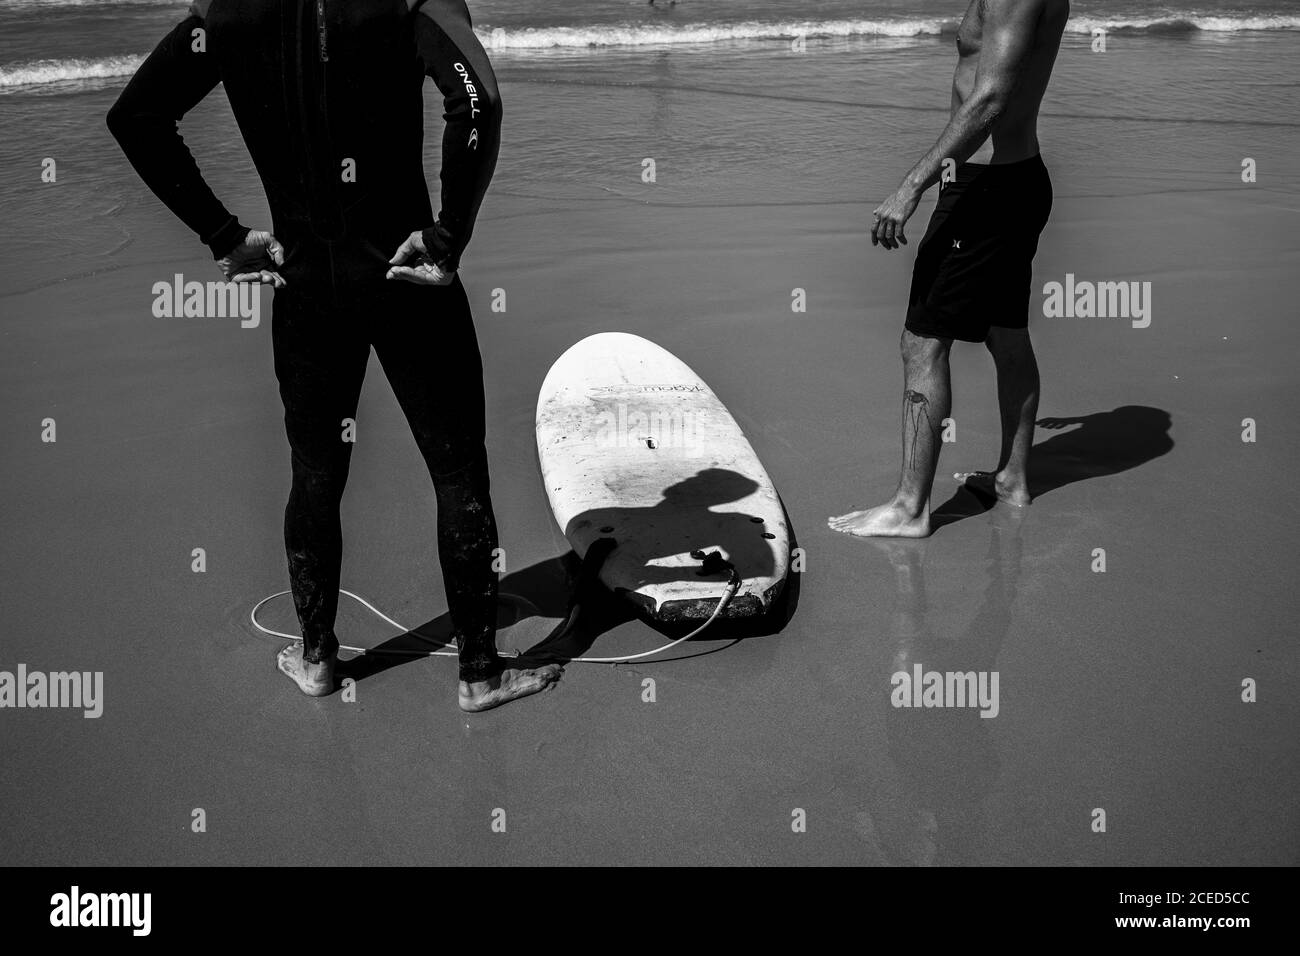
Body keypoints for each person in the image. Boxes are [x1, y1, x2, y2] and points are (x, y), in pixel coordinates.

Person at [108, 0, 561, 711]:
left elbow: (136, 117)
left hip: (305, 283)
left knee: (316, 473)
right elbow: (479, 102)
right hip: (404, 274)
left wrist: (224, 235)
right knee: (457, 472)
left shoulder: (225, 8)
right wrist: (447, 239)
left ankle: (317, 659)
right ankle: (480, 672)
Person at [829, 0, 1069, 538]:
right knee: (1007, 333)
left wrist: (911, 186)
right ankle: (1012, 477)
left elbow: (989, 100)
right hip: (1017, 182)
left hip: (982, 195)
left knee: (923, 343)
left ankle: (910, 508)